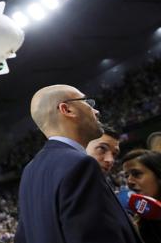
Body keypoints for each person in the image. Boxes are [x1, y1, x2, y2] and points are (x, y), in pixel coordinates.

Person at [14, 85, 141, 243]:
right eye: (88, 102)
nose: (96, 111)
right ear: (67, 110)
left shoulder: (29, 171)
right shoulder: (80, 164)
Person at [122, 149, 161, 242]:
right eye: (126, 176)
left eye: (136, 174)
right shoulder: (139, 220)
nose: (129, 182)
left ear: (159, 175)